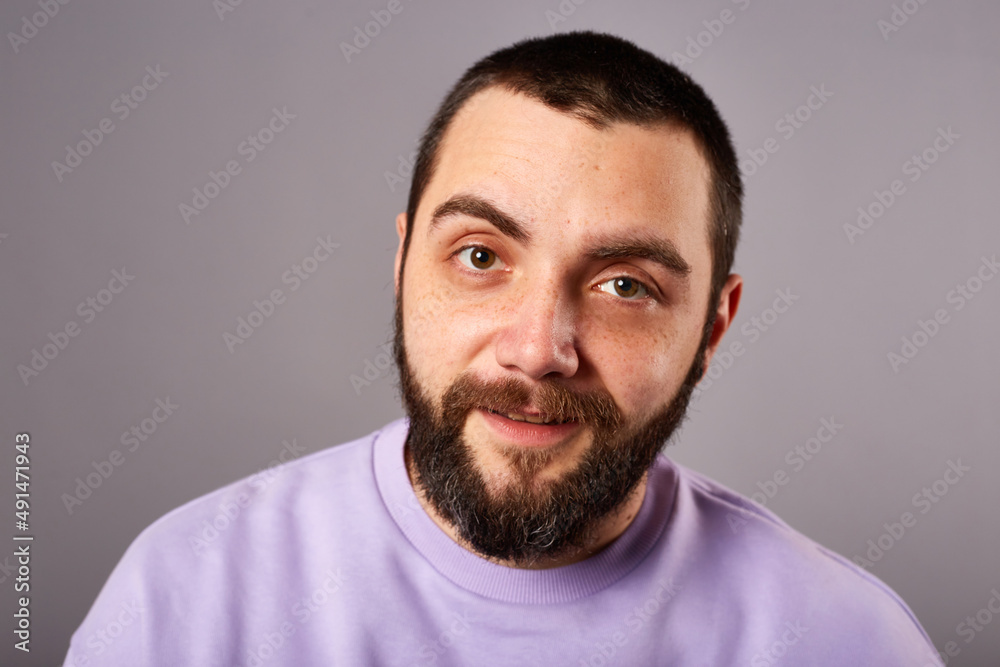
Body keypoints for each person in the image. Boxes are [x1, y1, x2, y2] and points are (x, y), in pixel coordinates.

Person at [64, 31, 940, 666]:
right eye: (481, 256)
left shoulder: (849, 642)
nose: (536, 350)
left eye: (625, 285)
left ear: (712, 327)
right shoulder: (183, 599)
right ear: (403, 263)